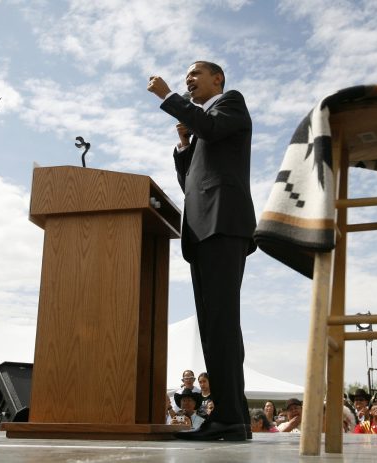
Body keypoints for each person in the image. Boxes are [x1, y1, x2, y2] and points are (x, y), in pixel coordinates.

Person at [148, 61, 255, 442]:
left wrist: (168, 96)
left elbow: (208, 126)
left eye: (195, 75)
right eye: (184, 78)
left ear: (218, 80)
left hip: (223, 225)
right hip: (204, 230)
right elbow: (190, 182)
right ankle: (234, 417)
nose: (188, 81)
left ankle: (230, 416)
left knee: (221, 324)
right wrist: (183, 145)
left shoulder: (230, 104)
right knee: (214, 327)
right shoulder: (203, 128)